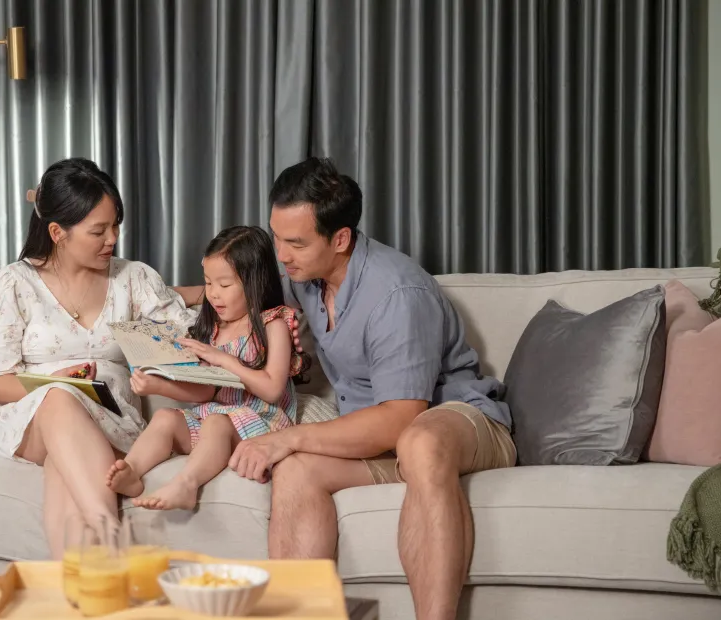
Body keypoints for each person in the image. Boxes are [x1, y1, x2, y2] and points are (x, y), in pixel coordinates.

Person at [183, 157, 516, 620]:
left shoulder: (398, 294)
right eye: (277, 237)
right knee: (296, 471)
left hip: (453, 420)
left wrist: (285, 437)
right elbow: (237, 288)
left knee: (419, 442)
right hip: (378, 437)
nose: (281, 254)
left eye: (295, 243)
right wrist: (150, 298)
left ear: (340, 239)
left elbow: (402, 417)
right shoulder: (305, 278)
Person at [0, 157, 199, 560]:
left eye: (115, 225)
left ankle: (83, 592)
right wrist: (58, 379)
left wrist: (245, 304)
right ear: (58, 232)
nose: (113, 238)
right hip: (33, 418)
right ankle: (112, 542)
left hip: (112, 416)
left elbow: (189, 338)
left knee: (63, 471)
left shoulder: (133, 278)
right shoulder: (14, 284)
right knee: (60, 397)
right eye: (99, 230)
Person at [105, 225, 307, 511]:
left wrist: (225, 360)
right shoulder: (214, 328)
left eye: (224, 285)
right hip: (218, 418)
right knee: (165, 417)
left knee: (215, 424)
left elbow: (273, 390)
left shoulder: (273, 323)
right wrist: (158, 385)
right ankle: (132, 471)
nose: (213, 294)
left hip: (263, 423)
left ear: (254, 282)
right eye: (208, 283)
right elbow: (206, 392)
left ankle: (186, 483)